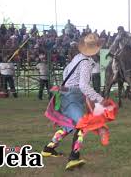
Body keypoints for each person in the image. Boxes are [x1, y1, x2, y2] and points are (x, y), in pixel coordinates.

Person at [41, 33, 109, 170]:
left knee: (71, 125)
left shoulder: (77, 59)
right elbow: (84, 86)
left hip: (67, 94)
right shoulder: (86, 63)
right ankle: (73, 158)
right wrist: (100, 99)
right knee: (81, 124)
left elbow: (66, 76)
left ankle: (48, 149)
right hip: (73, 95)